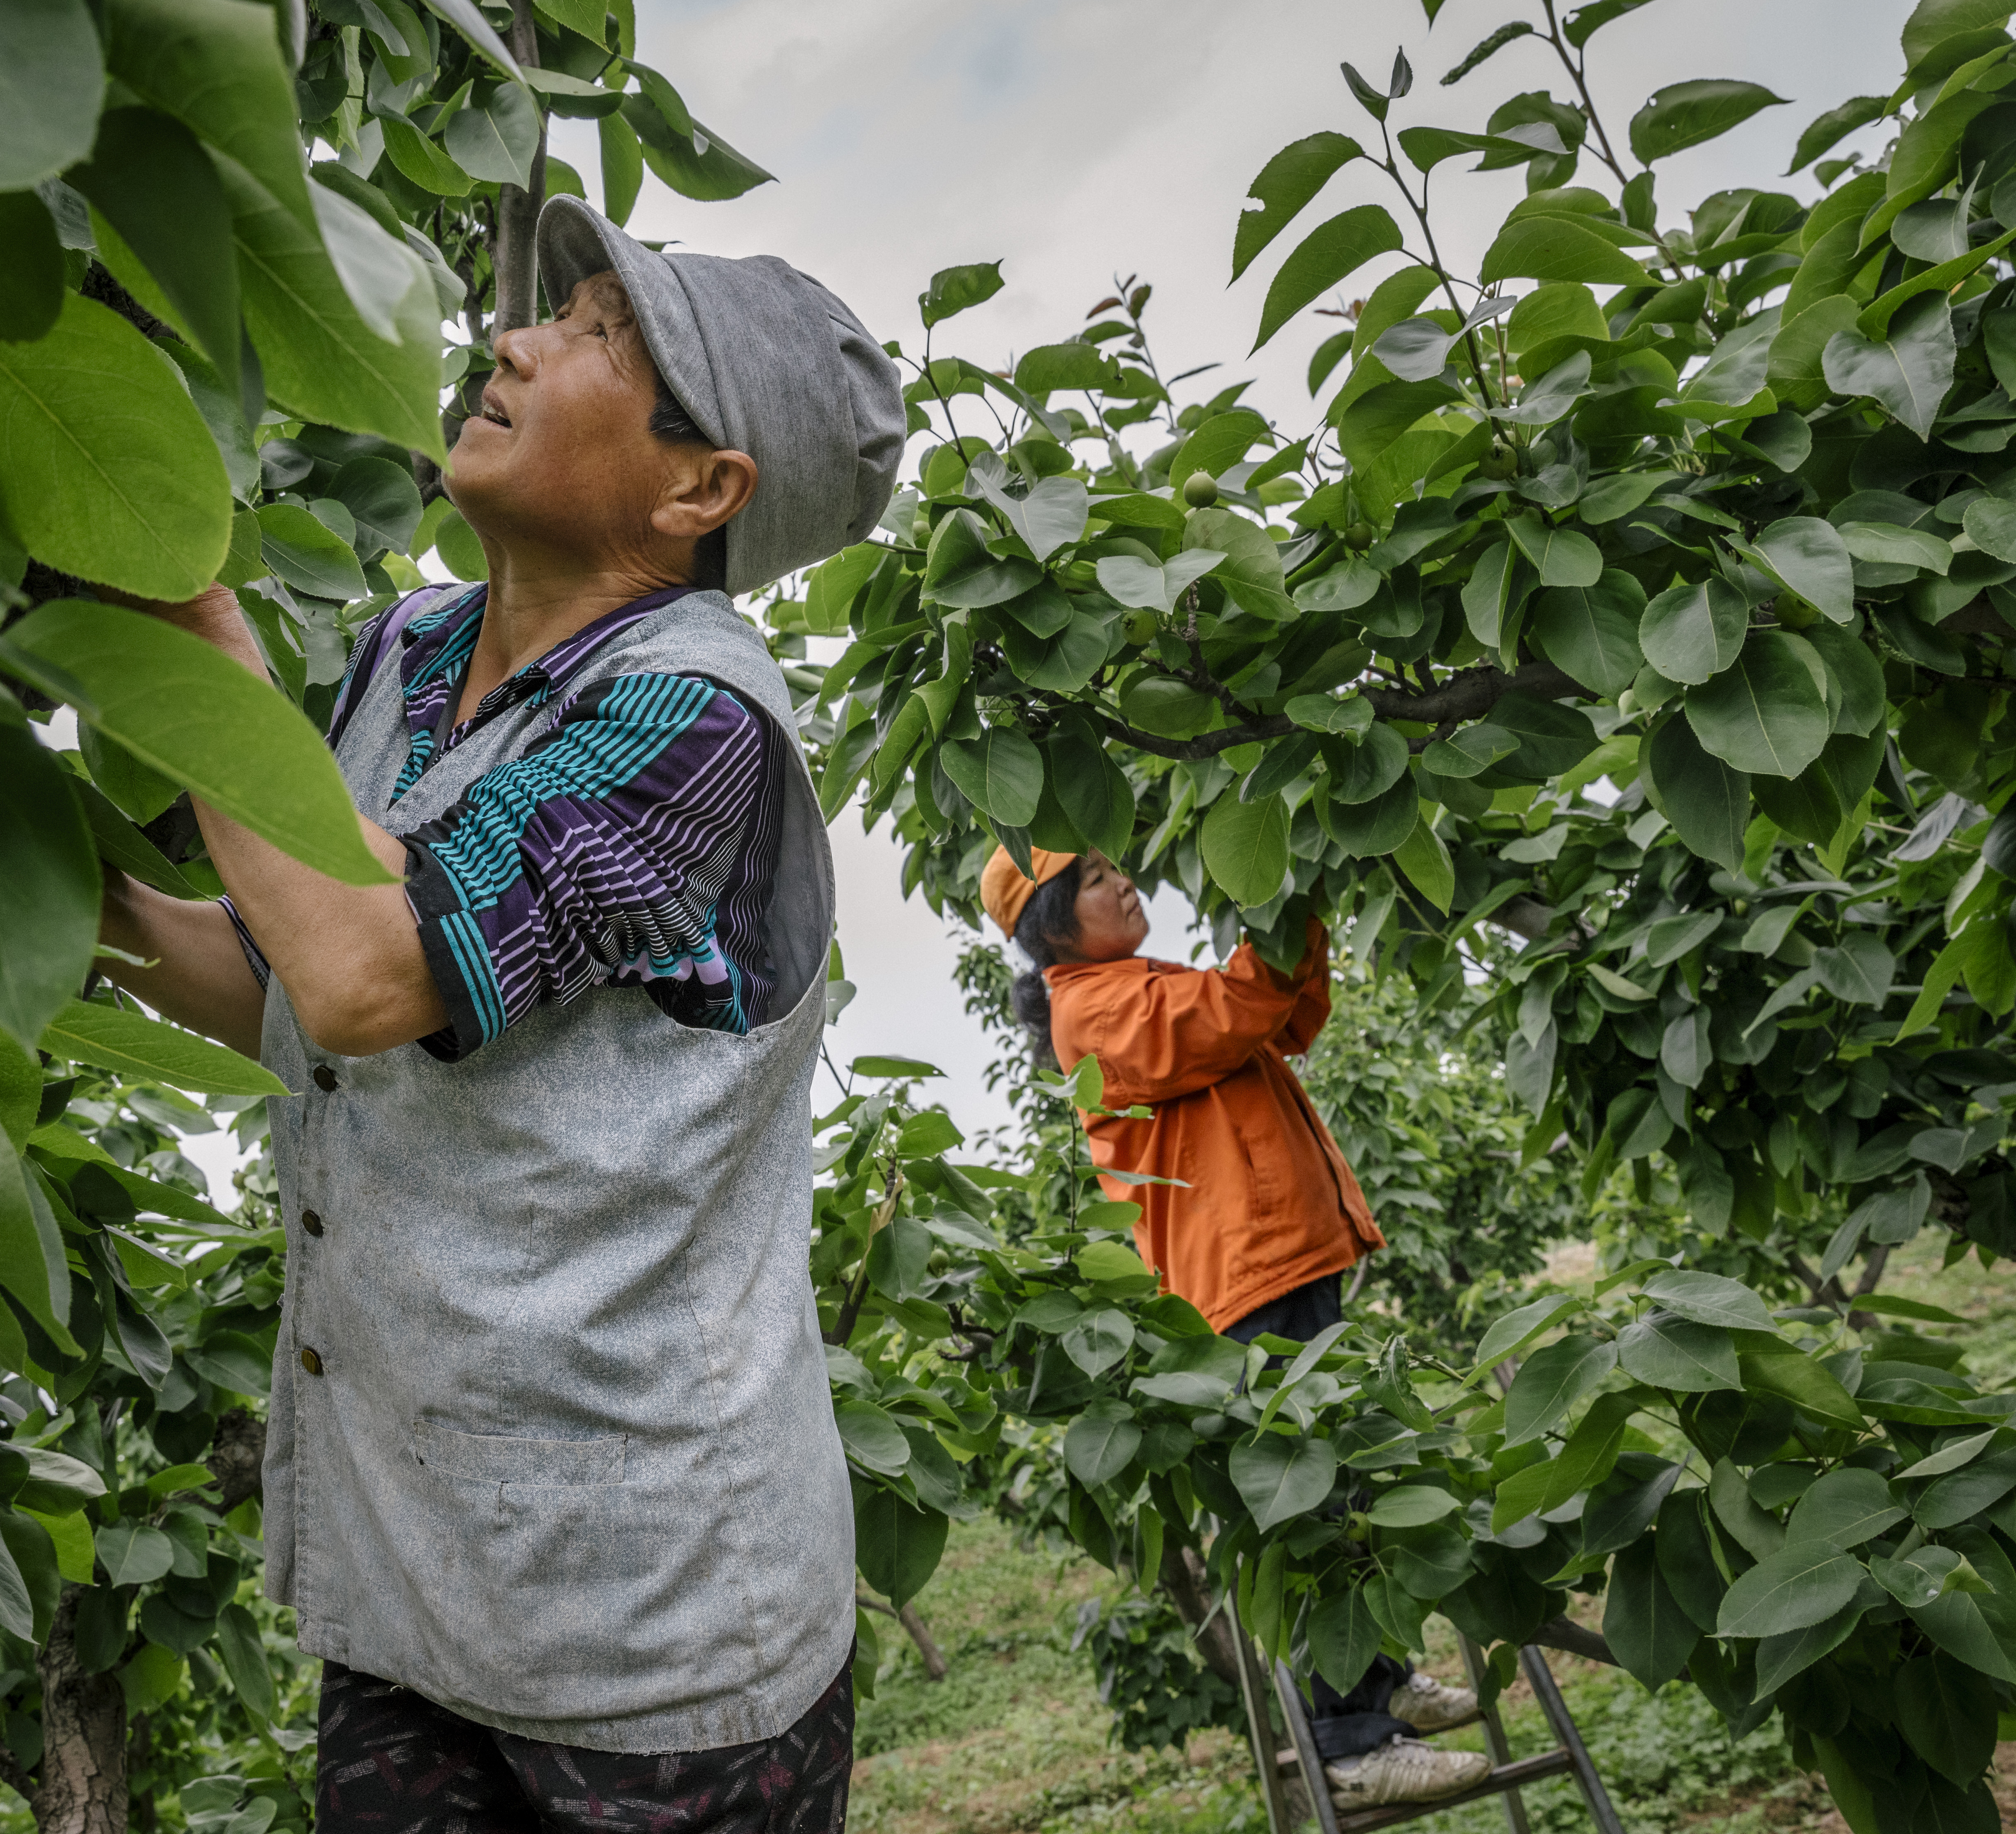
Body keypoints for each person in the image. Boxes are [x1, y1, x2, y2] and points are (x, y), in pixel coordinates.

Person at [92, 195, 902, 1833]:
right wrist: (25, 886)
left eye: (600, 336)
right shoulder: (409, 649)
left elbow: (371, 968)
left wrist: (163, 568)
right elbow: (285, 990)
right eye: (554, 315)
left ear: (700, 488)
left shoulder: (699, 717)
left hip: (650, 1633)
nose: (517, 338)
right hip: (416, 1581)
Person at [983, 846, 1493, 1813]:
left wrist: (1291, 916)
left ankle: (1378, 1680)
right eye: (1095, 879)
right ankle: (1350, 1736)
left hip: (1282, 1253)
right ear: (1052, 920)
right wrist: (1275, 899)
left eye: (1114, 867)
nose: (1124, 882)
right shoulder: (1091, 1007)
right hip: (1242, 1272)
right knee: (1304, 1499)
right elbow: (1230, 1014)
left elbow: (1287, 1015)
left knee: (1340, 1483)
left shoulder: (1139, 981)